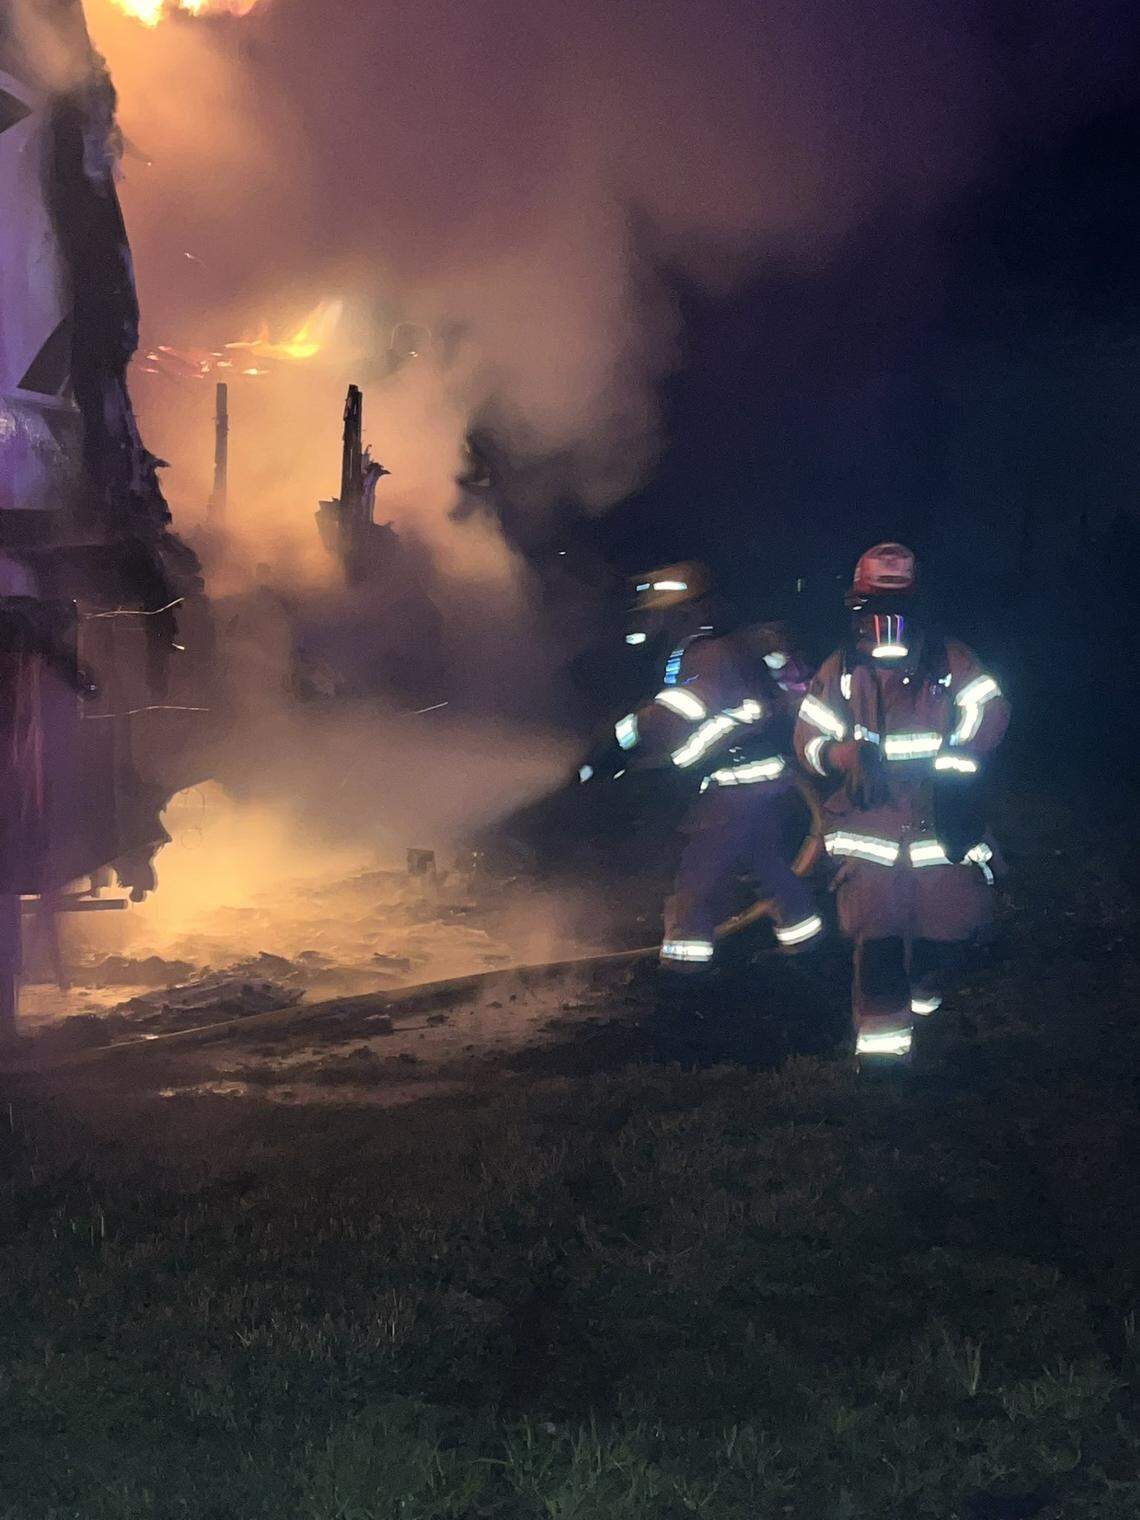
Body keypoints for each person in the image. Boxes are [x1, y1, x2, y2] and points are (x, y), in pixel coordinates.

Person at [793, 542, 1009, 1061]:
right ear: (856, 605)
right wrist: (840, 754)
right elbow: (808, 740)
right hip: (869, 830)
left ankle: (928, 987)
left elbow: (991, 709)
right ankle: (883, 1061)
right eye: (873, 608)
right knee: (879, 940)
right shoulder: (841, 669)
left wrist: (960, 764)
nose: (886, 623)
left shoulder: (949, 659)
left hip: (940, 822)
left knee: (950, 929)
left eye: (899, 607)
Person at [587, 607, 822, 967]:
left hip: (734, 785)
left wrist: (612, 744)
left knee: (697, 875)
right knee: (764, 863)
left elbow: (673, 712)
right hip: (765, 782)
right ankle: (806, 941)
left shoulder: (707, 654)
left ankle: (684, 960)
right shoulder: (731, 649)